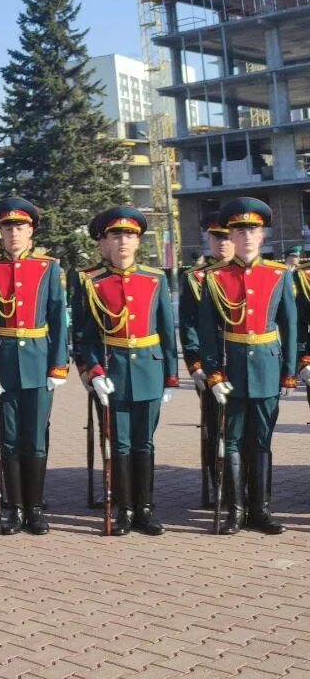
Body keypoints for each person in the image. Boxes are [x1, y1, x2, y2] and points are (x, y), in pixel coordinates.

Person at [72, 207, 178, 535]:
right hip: (114, 372)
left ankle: (145, 508)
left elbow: (165, 330)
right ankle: (124, 509)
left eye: (129, 235)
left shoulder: (155, 278)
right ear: (103, 241)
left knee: (144, 442)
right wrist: (95, 371)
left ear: (138, 241)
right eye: (115, 235)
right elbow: (83, 335)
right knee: (118, 443)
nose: (122, 241)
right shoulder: (90, 281)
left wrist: (171, 375)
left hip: (149, 368)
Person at [198, 198, 296, 535]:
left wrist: (290, 371)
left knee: (262, 442)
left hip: (267, 367)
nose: (247, 236)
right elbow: (207, 332)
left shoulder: (279, 274)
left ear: (263, 235)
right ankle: (236, 511)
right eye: (240, 230)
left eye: (253, 229)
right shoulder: (214, 277)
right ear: (232, 235)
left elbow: (290, 325)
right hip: (232, 369)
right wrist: (212, 373)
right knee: (234, 442)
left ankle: (261, 510)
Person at [0, 197, 68, 535]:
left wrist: (58, 366)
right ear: (0, 231)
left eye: (21, 226)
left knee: (36, 438)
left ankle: (36, 507)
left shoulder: (48, 268)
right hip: (6, 367)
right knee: (10, 439)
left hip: (40, 364)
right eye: (8, 227)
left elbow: (58, 319)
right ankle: (14, 508)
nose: (14, 232)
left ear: (31, 231)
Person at [180, 212, 234, 509]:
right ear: (208, 238)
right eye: (218, 237)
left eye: (228, 237)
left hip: (241, 359)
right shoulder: (196, 277)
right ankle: (219, 485)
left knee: (242, 426)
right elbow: (188, 324)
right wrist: (196, 363)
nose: (224, 243)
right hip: (211, 363)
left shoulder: (247, 274)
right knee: (215, 426)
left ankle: (243, 486)